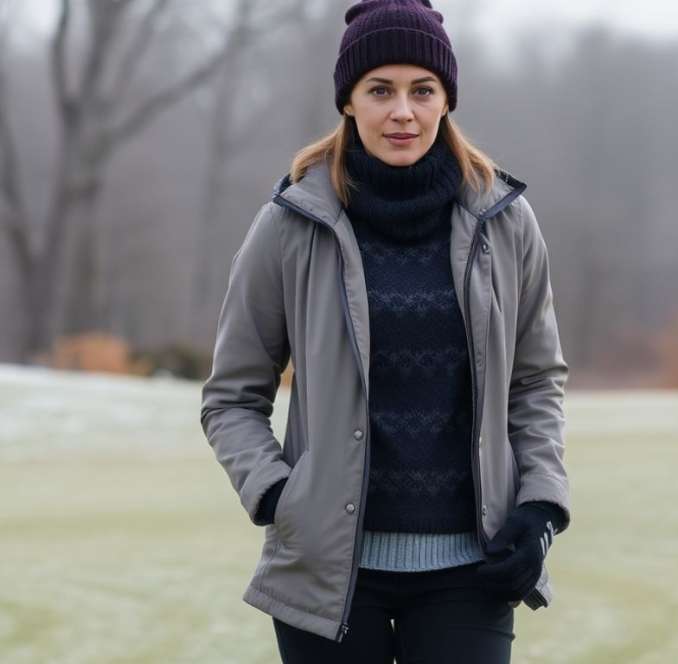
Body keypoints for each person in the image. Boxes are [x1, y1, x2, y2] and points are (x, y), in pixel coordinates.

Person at [199, 1, 570, 662]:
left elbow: (536, 382)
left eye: (422, 90)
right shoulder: (289, 223)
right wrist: (280, 496)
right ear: (348, 101)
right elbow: (231, 397)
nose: (403, 111)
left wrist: (540, 506)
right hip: (327, 574)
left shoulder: (506, 221)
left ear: (446, 100)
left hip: (472, 570)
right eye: (380, 90)